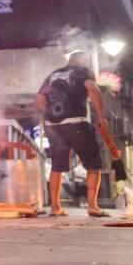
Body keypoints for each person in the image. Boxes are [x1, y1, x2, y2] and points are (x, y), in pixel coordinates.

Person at [35, 51, 118, 217]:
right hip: (75, 123)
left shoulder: (53, 74)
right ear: (83, 61)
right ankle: (93, 206)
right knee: (93, 162)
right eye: (87, 60)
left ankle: (55, 207)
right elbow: (94, 90)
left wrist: (51, 115)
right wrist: (101, 116)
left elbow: (38, 100)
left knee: (57, 166)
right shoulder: (83, 72)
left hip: (53, 125)